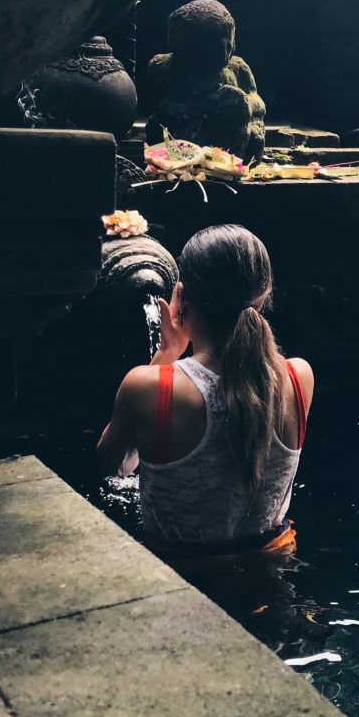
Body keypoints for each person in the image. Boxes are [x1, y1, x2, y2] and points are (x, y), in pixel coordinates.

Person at [96, 224, 314, 557]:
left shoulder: (151, 387)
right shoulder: (299, 377)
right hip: (272, 566)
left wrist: (165, 356)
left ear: (180, 298)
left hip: (187, 578)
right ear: (264, 297)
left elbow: (113, 466)